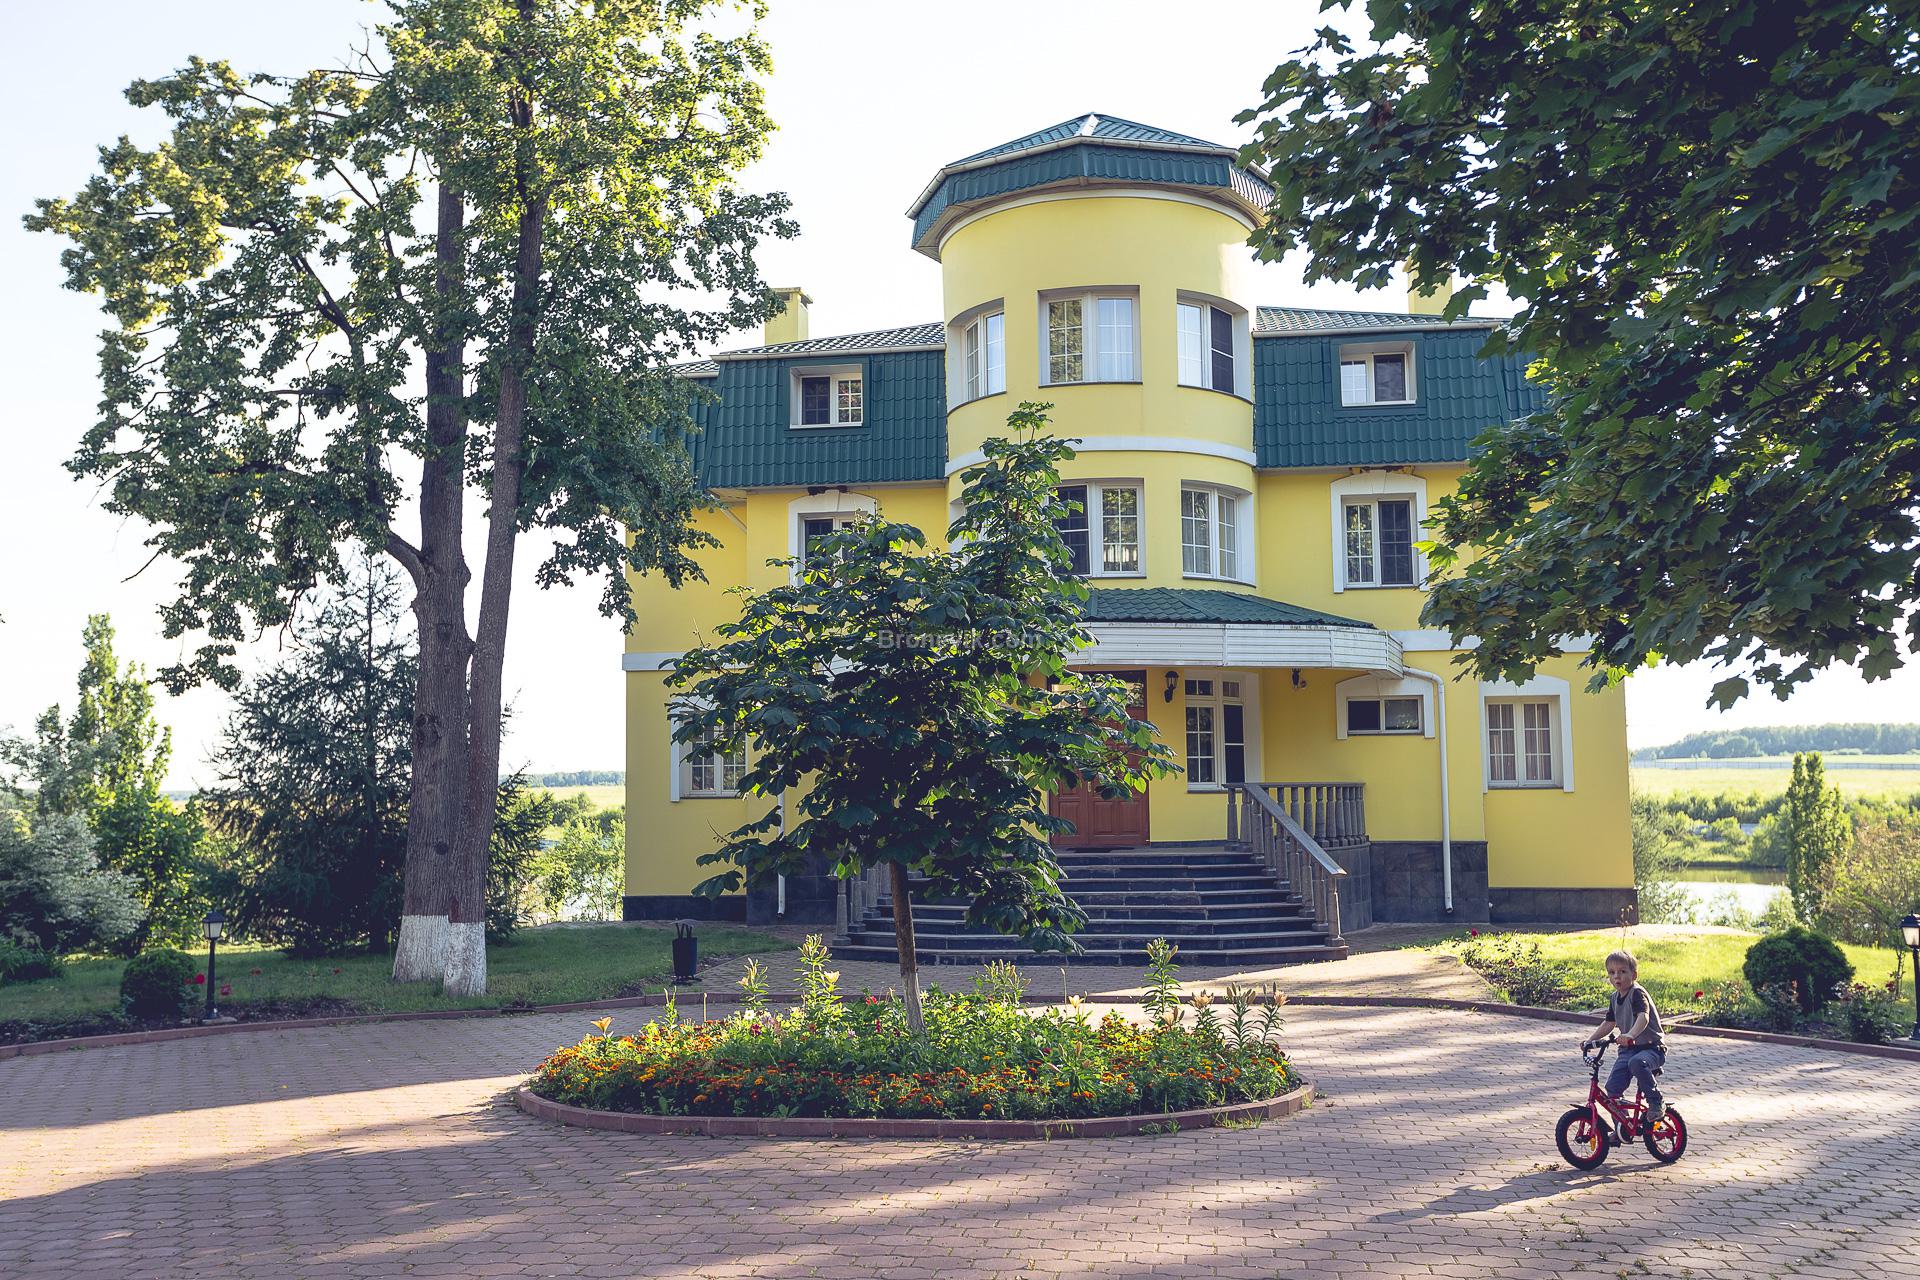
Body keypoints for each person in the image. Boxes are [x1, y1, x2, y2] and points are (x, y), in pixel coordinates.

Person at [1583, 948, 1667, 1125]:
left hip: (1652, 1048)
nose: (1617, 977)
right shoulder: (1615, 997)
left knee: (1636, 1062)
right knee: (1612, 1089)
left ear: (1634, 975)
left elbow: (1643, 1017)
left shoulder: (1637, 993)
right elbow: (1608, 1023)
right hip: (1628, 1050)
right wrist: (1590, 1041)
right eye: (1612, 973)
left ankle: (1655, 1101)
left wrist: (1630, 1034)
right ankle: (1623, 1127)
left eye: (1622, 972)